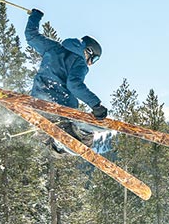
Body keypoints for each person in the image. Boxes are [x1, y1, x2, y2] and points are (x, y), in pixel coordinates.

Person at [24, 8, 108, 152]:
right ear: (88, 51)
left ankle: (49, 137)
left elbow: (31, 36)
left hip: (38, 99)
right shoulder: (79, 62)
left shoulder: (53, 47)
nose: (90, 63)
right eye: (94, 59)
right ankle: (79, 135)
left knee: (50, 138)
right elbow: (74, 84)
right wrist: (96, 105)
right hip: (60, 106)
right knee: (82, 140)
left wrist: (35, 16)